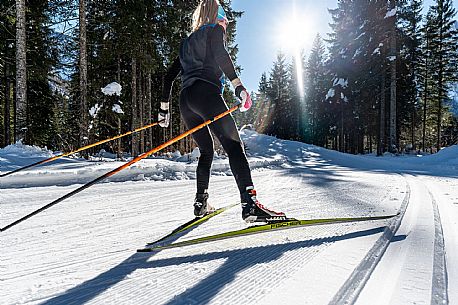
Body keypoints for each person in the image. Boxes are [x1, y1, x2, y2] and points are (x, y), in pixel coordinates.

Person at [159, 0, 285, 223]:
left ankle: (201, 202)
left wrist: (164, 109)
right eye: (225, 20)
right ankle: (250, 204)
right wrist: (238, 86)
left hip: (186, 102)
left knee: (207, 151)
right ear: (218, 18)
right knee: (234, 146)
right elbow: (220, 54)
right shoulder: (214, 30)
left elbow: (169, 77)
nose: (226, 25)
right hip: (206, 93)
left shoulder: (187, 43)